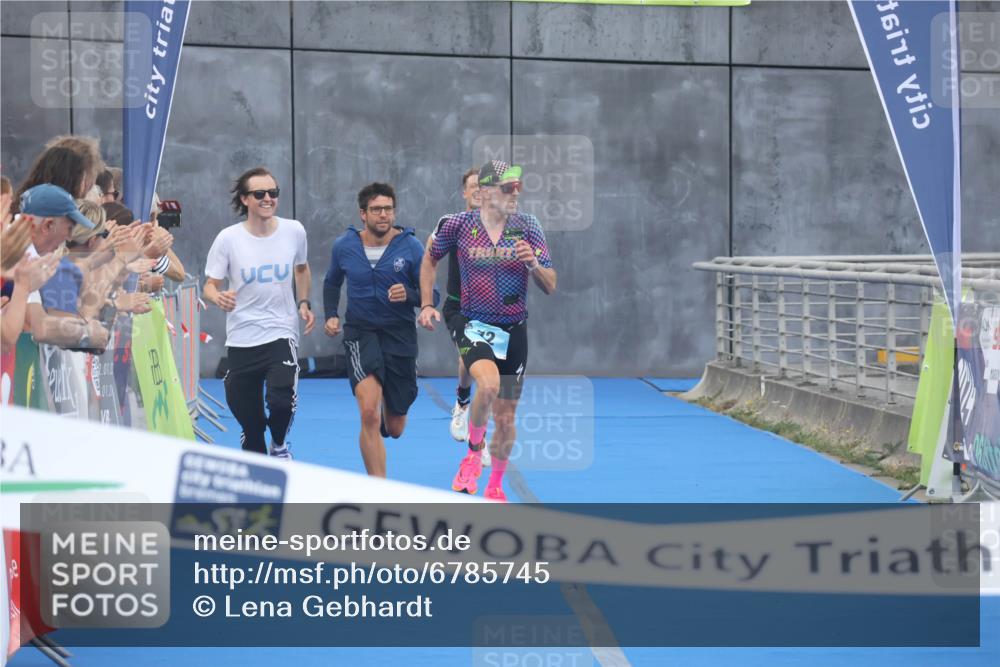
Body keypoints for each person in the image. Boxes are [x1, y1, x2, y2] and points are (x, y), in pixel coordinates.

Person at [419, 161, 556, 501]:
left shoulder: (528, 226)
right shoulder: (459, 226)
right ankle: (472, 452)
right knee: (490, 384)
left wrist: (533, 265)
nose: (516, 192)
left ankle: (494, 485)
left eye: (518, 186)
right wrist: (425, 304)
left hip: (514, 327)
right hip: (473, 322)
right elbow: (429, 258)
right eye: (508, 187)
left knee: (507, 418)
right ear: (483, 193)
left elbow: (550, 285)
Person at [323, 182, 435, 478]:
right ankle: (379, 491)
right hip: (361, 334)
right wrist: (331, 315)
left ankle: (390, 410)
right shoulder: (344, 246)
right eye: (376, 210)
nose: (383, 215)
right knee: (368, 413)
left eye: (388, 209)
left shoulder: (410, 247)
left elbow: (430, 296)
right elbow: (332, 282)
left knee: (395, 428)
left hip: (399, 336)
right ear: (363, 214)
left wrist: (411, 296)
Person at [204, 167, 314, 458]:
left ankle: (279, 445)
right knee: (252, 430)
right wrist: (218, 297)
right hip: (242, 336)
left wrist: (304, 302)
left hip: (281, 330)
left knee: (280, 402)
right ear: (244, 199)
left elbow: (302, 268)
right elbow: (210, 285)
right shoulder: (228, 239)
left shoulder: (294, 231)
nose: (268, 198)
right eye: (259, 194)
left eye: (273, 193)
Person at [426, 168, 490, 464]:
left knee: (492, 380)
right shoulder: (451, 224)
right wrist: (427, 303)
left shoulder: (504, 226)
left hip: (493, 311)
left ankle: (474, 423)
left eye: (484, 186)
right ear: (464, 192)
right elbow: (430, 259)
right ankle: (464, 406)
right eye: (473, 186)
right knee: (472, 359)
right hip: (459, 307)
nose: (479, 190)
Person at [19, 184, 111, 350]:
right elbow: (41, 328)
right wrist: (87, 335)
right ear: (47, 225)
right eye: (69, 228)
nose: (69, 237)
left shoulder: (26, 250)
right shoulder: (22, 253)